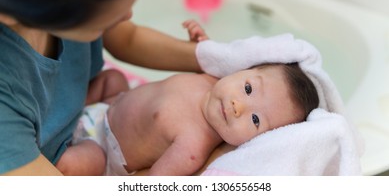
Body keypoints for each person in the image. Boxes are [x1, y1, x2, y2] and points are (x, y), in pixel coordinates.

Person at [0, 0, 205, 176]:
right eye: (103, 22)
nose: (128, 16)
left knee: (114, 80)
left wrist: (211, 57)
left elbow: (127, 38)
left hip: (78, 116)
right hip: (54, 163)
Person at [56, 60, 319, 176]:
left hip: (103, 148)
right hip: (111, 102)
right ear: (241, 70)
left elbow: (156, 180)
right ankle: (63, 112)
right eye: (248, 88)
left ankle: (44, 149)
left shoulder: (194, 147)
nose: (239, 106)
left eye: (256, 121)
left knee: (73, 165)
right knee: (112, 78)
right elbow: (207, 53)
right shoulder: (207, 77)